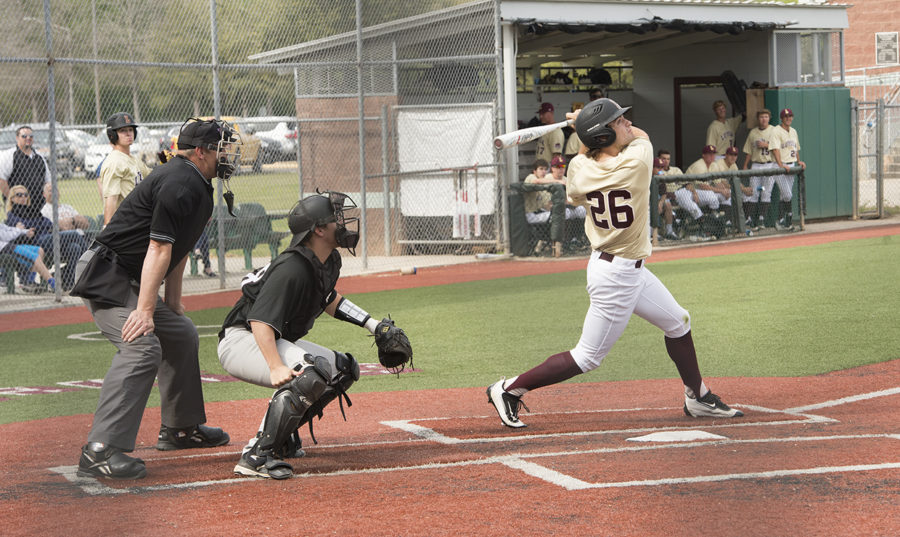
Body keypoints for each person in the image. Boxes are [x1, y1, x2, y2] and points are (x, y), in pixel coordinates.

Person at [486, 97, 743, 429]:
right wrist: (585, 122)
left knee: (678, 322)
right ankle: (507, 389)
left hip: (621, 267)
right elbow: (641, 136)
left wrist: (585, 127)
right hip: (617, 275)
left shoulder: (579, 169)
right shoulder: (636, 162)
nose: (626, 123)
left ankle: (698, 396)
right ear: (604, 136)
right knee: (588, 357)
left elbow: (581, 170)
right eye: (618, 121)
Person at [70, 118, 241, 480]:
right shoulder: (180, 180)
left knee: (180, 333)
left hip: (129, 276)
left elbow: (177, 251)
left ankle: (180, 429)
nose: (228, 153)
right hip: (107, 275)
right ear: (200, 151)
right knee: (141, 346)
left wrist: (173, 304)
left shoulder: (197, 183)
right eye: (221, 147)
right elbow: (159, 245)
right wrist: (146, 310)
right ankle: (99, 449)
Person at [218, 192, 409, 479]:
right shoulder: (292, 267)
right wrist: (275, 366)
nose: (343, 223)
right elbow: (259, 321)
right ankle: (257, 455)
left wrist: (372, 325)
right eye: (336, 219)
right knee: (312, 373)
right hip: (243, 339)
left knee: (342, 369)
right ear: (319, 229)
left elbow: (329, 298)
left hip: (267, 337)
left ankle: (281, 435)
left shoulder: (327, 259)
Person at [6, 184, 86, 290]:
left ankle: (68, 282)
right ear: (12, 199)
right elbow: (29, 228)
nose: (23, 197)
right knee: (75, 234)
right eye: (19, 195)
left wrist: (39, 226)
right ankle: (93, 266)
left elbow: (47, 223)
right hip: (36, 242)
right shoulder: (12, 214)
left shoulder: (30, 210)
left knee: (74, 247)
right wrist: (37, 226)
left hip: (47, 238)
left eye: (25, 195)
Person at [98, 112, 151, 225]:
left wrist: (168, 164)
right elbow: (111, 200)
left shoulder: (133, 159)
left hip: (139, 221)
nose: (128, 134)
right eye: (123, 130)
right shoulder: (114, 162)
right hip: (125, 224)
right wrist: (108, 229)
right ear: (113, 135)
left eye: (130, 130)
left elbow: (152, 176)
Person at [742, 109, 784, 230]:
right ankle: (750, 220)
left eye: (766, 116)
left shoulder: (774, 130)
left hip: (770, 165)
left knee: (766, 192)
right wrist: (745, 165)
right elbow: (748, 151)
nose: (764, 119)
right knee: (754, 192)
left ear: (769, 118)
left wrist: (766, 145)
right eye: (761, 117)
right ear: (758, 119)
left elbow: (780, 148)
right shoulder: (753, 132)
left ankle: (761, 220)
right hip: (756, 165)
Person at [0, 126, 50, 218]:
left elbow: (48, 181)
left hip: (39, 207)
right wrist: (13, 199)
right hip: (18, 209)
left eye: (31, 136)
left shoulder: (39, 157)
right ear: (17, 138)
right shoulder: (9, 155)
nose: (28, 138)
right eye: (24, 136)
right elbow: (2, 180)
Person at [0, 221, 56, 293]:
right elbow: (6, 236)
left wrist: (26, 231)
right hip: (4, 249)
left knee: (39, 250)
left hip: (10, 246)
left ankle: (34, 281)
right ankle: (53, 283)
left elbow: (8, 229)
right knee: (34, 257)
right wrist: (18, 229)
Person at [773, 108, 805, 229]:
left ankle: (781, 220)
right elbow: (775, 149)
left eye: (790, 116)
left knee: (784, 195)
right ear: (782, 118)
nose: (788, 118)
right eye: (786, 116)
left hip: (791, 164)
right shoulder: (776, 130)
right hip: (780, 166)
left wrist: (798, 161)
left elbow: (795, 148)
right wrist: (780, 165)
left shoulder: (793, 131)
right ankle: (788, 221)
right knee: (787, 195)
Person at [563, 89, 606, 160]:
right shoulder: (586, 114)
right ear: (590, 99)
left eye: (599, 96)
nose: (597, 99)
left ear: (603, 97)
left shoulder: (608, 112)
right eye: (594, 97)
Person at [654, 158, 679, 241]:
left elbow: (664, 194)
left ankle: (669, 231)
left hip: (658, 201)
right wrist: (656, 203)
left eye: (661, 167)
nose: (660, 170)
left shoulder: (661, 178)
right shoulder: (646, 177)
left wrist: (660, 203)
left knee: (668, 205)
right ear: (652, 168)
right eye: (658, 167)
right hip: (647, 203)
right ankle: (652, 234)